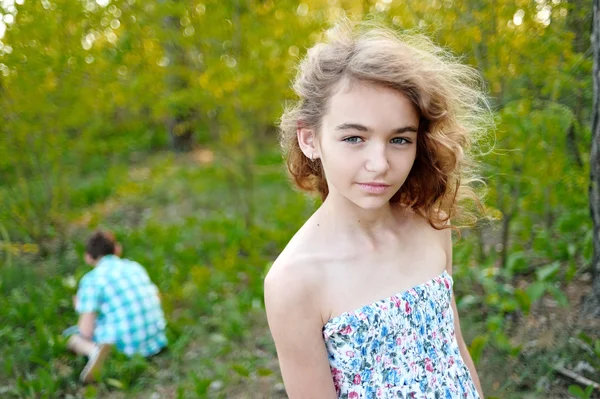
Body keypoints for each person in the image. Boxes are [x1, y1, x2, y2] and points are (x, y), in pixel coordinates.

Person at [264, 19, 491, 398]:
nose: (380, 163)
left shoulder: (431, 224)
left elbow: (456, 349)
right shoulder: (294, 282)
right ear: (310, 140)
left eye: (399, 139)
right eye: (354, 137)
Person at [64, 230, 167, 383]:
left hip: (126, 348)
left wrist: (80, 307)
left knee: (71, 335)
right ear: (117, 249)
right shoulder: (134, 267)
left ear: (88, 258)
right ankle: (101, 351)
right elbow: (157, 298)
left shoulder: (91, 280)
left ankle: (94, 351)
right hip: (156, 340)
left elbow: (85, 331)